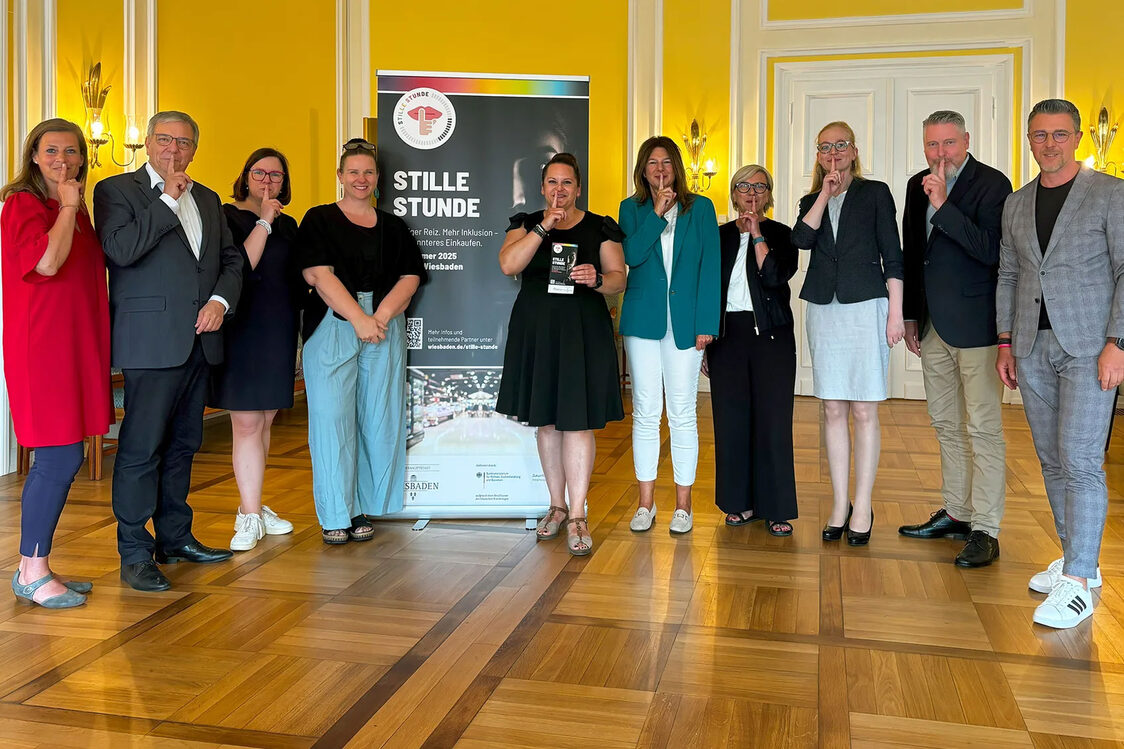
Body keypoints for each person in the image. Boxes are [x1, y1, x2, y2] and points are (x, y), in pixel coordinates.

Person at [94, 111, 242, 592]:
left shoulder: (209, 197)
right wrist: (166, 201)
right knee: (140, 451)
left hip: (201, 341)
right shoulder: (117, 191)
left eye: (183, 142)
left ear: (195, 149)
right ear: (148, 145)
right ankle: (135, 552)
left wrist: (221, 301)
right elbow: (119, 250)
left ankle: (175, 538)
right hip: (151, 344)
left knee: (183, 446)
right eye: (163, 139)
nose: (173, 150)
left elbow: (230, 260)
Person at [996, 98, 1124, 629]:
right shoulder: (1017, 202)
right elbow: (1008, 272)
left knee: (1081, 460)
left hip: (1091, 347)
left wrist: (1118, 340)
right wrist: (1005, 341)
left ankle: (1076, 585)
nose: (1048, 144)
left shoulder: (1109, 193)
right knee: (1050, 459)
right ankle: (1078, 561)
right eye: (1039, 135)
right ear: (1029, 139)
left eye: (1059, 134)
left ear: (1076, 138)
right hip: (1030, 346)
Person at [1, 119, 113, 608]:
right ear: (34, 156)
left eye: (71, 151)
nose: (62, 159)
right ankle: (30, 570)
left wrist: (71, 208)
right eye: (51, 151)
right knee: (59, 456)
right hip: (43, 348)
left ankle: (37, 562)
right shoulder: (24, 204)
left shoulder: (74, 209)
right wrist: (69, 206)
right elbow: (46, 263)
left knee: (66, 453)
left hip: (75, 343)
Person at [298, 139, 428, 544]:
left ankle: (363, 506)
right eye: (353, 172)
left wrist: (380, 318)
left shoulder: (394, 226)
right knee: (332, 421)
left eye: (368, 172)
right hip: (334, 322)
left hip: (384, 324)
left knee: (377, 419)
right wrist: (358, 317)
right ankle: (338, 512)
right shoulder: (319, 219)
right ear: (340, 176)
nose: (361, 179)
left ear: (378, 178)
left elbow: (411, 276)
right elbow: (318, 274)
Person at [496, 153, 626, 556]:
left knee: (578, 422)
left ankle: (578, 514)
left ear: (578, 188)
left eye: (567, 183)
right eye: (552, 182)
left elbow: (619, 278)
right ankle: (556, 505)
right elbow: (507, 265)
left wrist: (598, 279)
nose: (559, 190)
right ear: (542, 187)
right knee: (548, 422)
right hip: (538, 333)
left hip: (582, 333)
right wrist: (542, 227)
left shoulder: (600, 225)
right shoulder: (524, 223)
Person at [898, 110, 1012, 567]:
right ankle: (959, 513)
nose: (939, 153)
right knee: (945, 425)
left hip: (977, 327)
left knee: (983, 428)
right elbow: (912, 253)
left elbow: (990, 251)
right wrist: (909, 315)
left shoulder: (992, 184)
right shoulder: (914, 185)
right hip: (931, 324)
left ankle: (987, 528)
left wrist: (945, 205)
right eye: (931, 145)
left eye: (947, 143)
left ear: (966, 139)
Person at [791, 121, 904, 546]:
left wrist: (896, 313)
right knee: (833, 409)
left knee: (863, 411)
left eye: (841, 146)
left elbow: (892, 255)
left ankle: (863, 503)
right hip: (824, 310)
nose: (833, 153)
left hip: (867, 307)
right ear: (818, 156)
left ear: (854, 151)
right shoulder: (810, 199)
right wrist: (824, 193)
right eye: (825, 148)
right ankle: (839, 504)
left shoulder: (875, 194)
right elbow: (802, 239)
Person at [618, 136, 720, 536]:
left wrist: (706, 323)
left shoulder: (702, 209)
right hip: (643, 322)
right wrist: (657, 215)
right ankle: (646, 504)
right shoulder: (632, 209)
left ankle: (683, 505)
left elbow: (710, 267)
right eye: (651, 163)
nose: (660, 169)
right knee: (645, 412)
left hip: (686, 325)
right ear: (643, 170)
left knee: (682, 414)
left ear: (677, 167)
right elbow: (630, 256)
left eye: (666, 162)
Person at [209, 148, 300, 551]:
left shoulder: (290, 224)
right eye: (259, 173)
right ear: (245, 176)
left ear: (284, 182)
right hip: (241, 329)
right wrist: (263, 219)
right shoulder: (226, 217)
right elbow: (240, 268)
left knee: (264, 422)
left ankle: (255, 504)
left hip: (278, 329)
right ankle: (247, 515)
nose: (267, 180)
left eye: (276, 175)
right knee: (246, 423)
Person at [704, 165, 798, 536]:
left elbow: (774, 276)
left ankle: (775, 508)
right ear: (734, 193)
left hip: (772, 337)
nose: (752, 192)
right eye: (744, 186)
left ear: (768, 195)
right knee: (731, 421)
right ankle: (738, 503)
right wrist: (707, 340)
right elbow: (707, 289)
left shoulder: (782, 234)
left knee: (773, 422)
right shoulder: (718, 236)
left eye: (760, 187)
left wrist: (757, 234)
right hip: (727, 336)